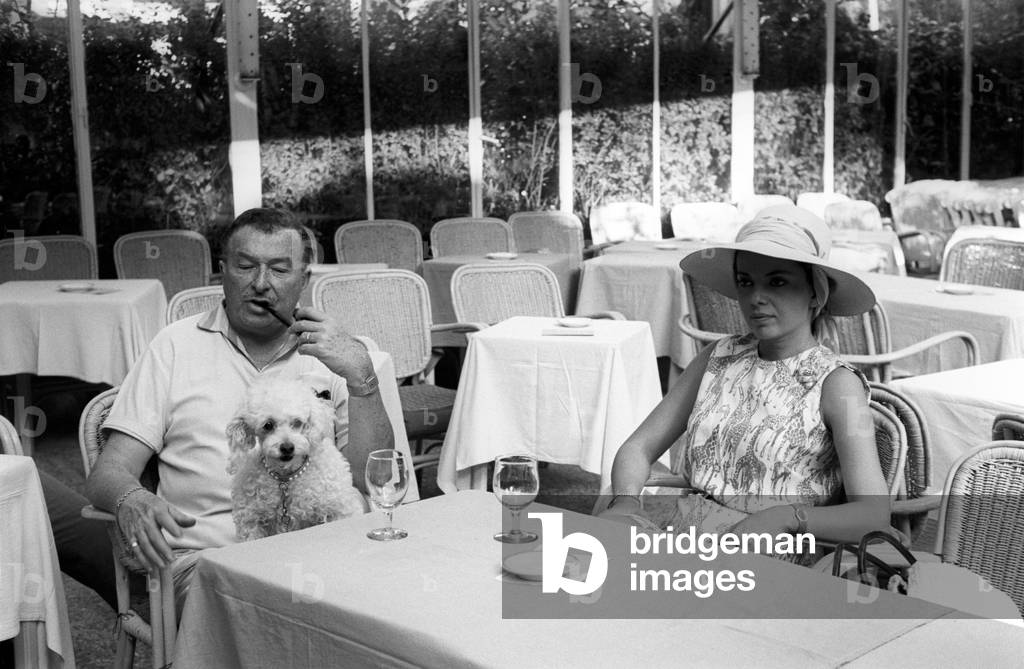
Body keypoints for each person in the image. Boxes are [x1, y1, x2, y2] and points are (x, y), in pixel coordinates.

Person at [85, 207, 394, 609]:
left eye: (280, 270)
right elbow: (108, 473)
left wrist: (362, 379)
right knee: (296, 610)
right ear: (222, 272)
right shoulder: (174, 346)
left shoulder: (336, 353)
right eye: (246, 266)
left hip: (327, 551)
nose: (261, 284)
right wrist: (132, 499)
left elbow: (376, 480)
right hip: (209, 561)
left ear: (305, 279)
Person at [598, 205, 889, 555]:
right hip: (683, 548)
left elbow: (874, 514)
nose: (756, 298)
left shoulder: (837, 385)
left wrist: (789, 517)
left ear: (815, 292)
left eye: (777, 282)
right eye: (745, 283)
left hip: (773, 566)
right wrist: (627, 503)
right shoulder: (719, 357)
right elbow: (637, 447)